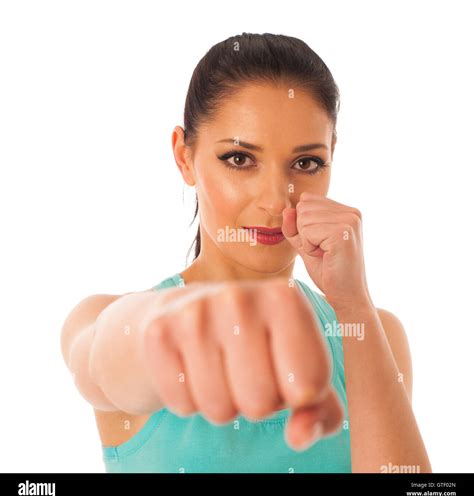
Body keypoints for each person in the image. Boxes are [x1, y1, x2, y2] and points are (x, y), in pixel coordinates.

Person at [60, 32, 431, 473]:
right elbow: (103, 357)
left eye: (306, 163)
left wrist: (354, 303)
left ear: (331, 157)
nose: (277, 200)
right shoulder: (107, 318)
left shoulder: (374, 334)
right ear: (184, 156)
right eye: (239, 159)